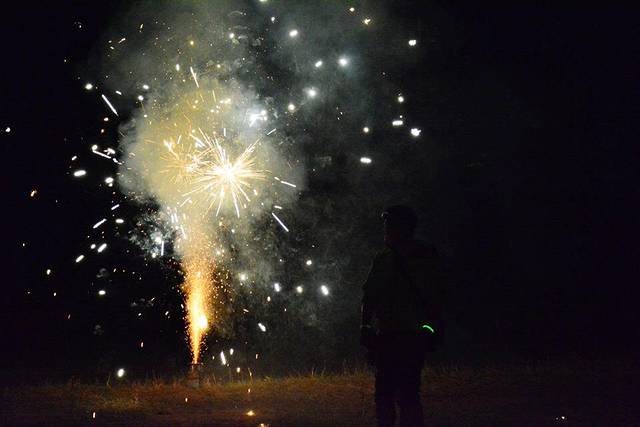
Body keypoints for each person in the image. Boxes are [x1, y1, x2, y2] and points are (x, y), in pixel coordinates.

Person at [361, 205, 444, 427]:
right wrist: (365, 326)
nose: (386, 230)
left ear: (404, 228)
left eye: (390, 225)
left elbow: (437, 294)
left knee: (404, 393)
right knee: (388, 393)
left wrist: (431, 327)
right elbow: (370, 297)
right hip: (391, 334)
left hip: (410, 335)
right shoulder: (384, 258)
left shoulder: (422, 257)